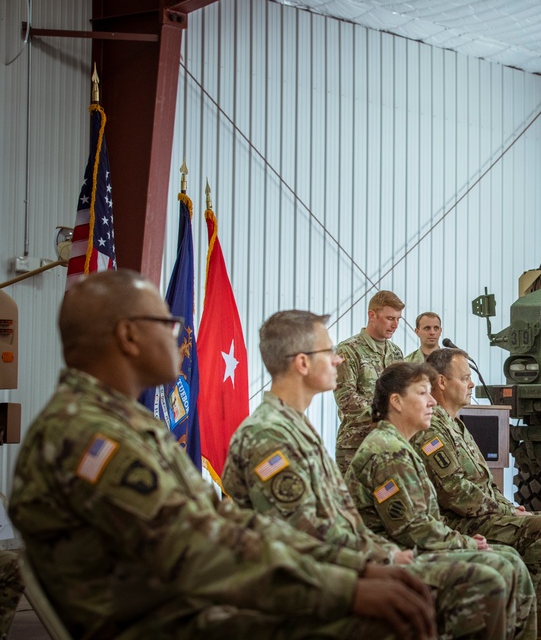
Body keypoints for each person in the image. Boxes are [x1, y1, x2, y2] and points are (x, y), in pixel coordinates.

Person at [8, 270, 436, 639]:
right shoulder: (89, 435)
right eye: (169, 323)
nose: (181, 337)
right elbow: (200, 551)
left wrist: (353, 568)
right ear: (129, 335)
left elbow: (222, 521)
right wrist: (347, 587)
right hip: (166, 621)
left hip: (184, 604)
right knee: (391, 623)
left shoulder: (124, 424)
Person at [223, 310, 510, 639]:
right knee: (483, 580)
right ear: (302, 363)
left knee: (486, 574)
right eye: (328, 352)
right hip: (300, 587)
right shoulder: (269, 437)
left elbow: (341, 523)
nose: (338, 360)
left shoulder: (296, 427)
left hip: (334, 566)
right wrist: (385, 558)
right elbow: (304, 536)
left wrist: (385, 553)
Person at [416, 348, 541, 640]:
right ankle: (535, 626)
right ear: (441, 382)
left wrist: (510, 507)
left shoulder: (457, 424)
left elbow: (485, 485)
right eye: (464, 378)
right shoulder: (432, 429)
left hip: (481, 514)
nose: (472, 384)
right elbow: (454, 493)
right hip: (457, 522)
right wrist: (503, 511)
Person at [348, 362, 538, 640]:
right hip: (392, 554)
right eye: (423, 393)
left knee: (509, 559)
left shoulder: (398, 445)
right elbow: (414, 529)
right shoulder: (387, 452)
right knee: (497, 568)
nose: (432, 401)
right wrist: (465, 543)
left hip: (408, 545)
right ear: (397, 402)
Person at [335, 290, 405, 475]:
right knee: (354, 502)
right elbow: (345, 397)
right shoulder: (349, 350)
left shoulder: (396, 353)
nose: (395, 325)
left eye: (398, 319)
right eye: (390, 318)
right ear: (372, 315)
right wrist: (383, 416)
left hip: (389, 443)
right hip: (356, 445)